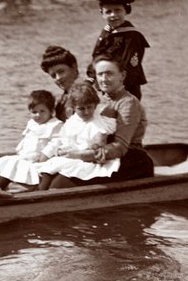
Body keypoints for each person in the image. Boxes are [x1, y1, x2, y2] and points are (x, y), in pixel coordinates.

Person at [43, 54, 153, 189]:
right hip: (100, 156)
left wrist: (79, 155)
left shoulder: (128, 103)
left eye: (109, 74)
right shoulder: (97, 99)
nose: (104, 79)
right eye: (100, 74)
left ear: (122, 76)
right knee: (47, 174)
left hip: (132, 161)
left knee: (59, 185)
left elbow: (120, 147)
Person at [34, 84, 120, 189]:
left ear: (95, 105)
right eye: (81, 109)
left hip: (87, 161)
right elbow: (63, 139)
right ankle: (37, 196)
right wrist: (56, 151)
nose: (87, 112)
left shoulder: (98, 123)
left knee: (55, 183)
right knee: (45, 172)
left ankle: (42, 199)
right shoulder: (73, 121)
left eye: (90, 107)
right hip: (72, 158)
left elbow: (99, 145)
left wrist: (93, 146)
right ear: (74, 108)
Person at [0, 89, 62, 191]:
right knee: (11, 162)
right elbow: (26, 139)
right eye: (34, 112)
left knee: (17, 164)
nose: (38, 115)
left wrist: (45, 154)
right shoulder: (32, 124)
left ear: (51, 111)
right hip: (28, 156)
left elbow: (56, 142)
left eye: (42, 111)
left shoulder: (55, 125)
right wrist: (21, 151)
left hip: (42, 159)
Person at [86, 0, 149, 98]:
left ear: (126, 10)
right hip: (106, 86)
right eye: (108, 12)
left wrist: (115, 89)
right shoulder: (106, 31)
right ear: (102, 13)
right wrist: (90, 79)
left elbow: (130, 67)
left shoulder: (132, 36)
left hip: (125, 89)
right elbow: (97, 56)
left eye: (118, 10)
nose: (113, 15)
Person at [39, 44, 87, 120]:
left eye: (61, 71)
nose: (58, 78)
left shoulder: (87, 94)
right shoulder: (61, 101)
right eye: (53, 75)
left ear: (74, 67)